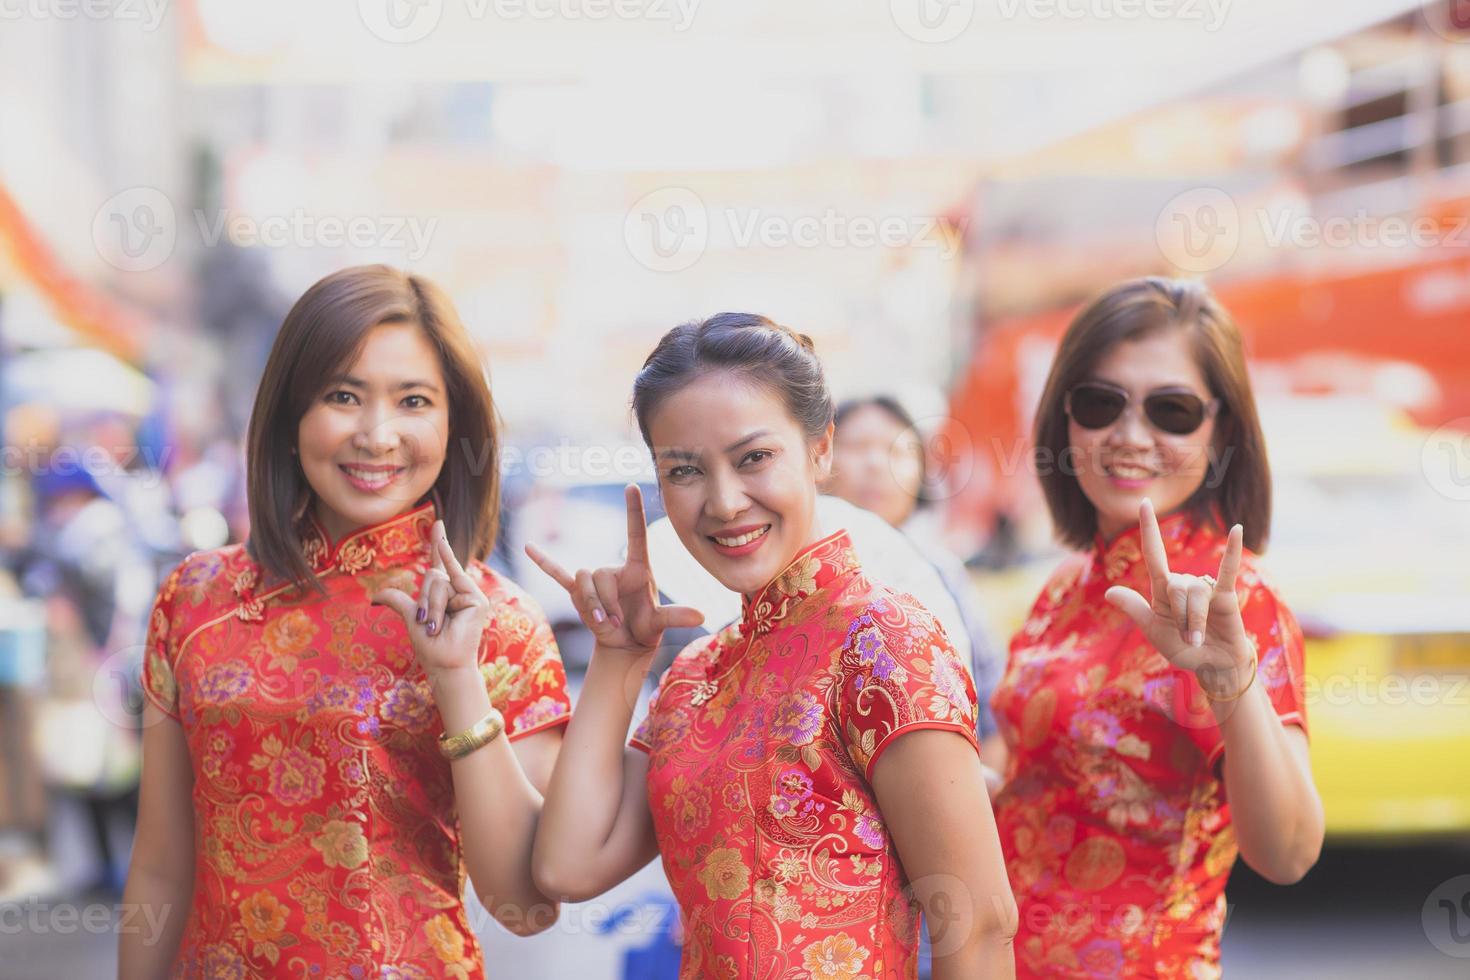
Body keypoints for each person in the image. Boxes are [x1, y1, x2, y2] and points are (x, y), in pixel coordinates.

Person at [527, 313, 1017, 979]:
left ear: (821, 450)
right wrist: (616, 656)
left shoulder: (882, 641)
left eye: (754, 458)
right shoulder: (697, 674)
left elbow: (980, 926)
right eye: (685, 470)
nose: (725, 502)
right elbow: (568, 864)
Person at [119, 265, 572, 978]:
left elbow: (522, 901)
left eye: (413, 400)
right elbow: (160, 870)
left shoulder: (501, 623)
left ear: (454, 424)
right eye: (342, 396)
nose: (376, 433)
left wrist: (455, 678)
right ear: (291, 414)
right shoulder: (195, 600)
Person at [989, 277, 1323, 978]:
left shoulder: (1231, 603)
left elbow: (1288, 853)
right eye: (1100, 403)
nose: (1130, 437)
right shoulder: (1065, 588)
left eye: (1172, 411)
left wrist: (1232, 683)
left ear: (1221, 429)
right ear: (1065, 418)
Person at [826, 395, 1005, 764]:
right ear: (820, 459)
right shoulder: (802, 571)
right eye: (858, 447)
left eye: (899, 451)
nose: (876, 464)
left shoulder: (940, 571)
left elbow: (990, 700)